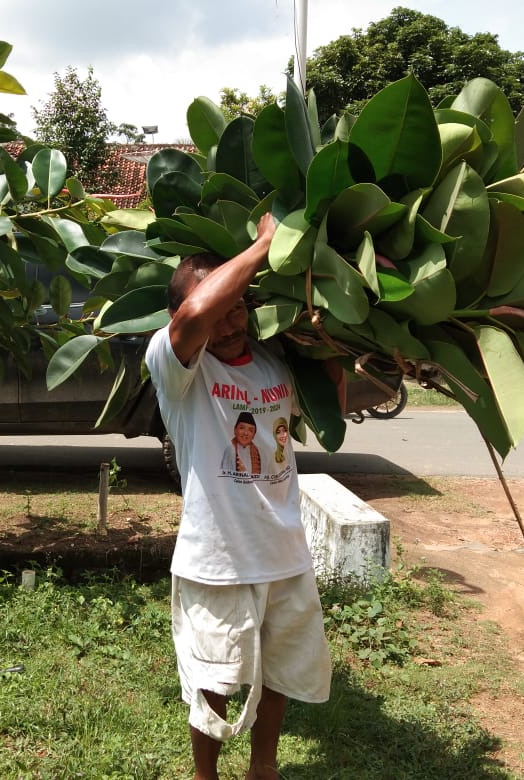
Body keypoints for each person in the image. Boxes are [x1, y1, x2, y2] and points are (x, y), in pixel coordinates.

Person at [145, 213, 342, 780]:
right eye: (220, 307)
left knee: (278, 672)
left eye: (240, 307)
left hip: (285, 554)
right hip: (218, 560)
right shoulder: (177, 366)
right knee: (215, 680)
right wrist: (263, 245)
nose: (230, 322)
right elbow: (197, 314)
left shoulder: (272, 363)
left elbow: (330, 405)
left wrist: (332, 326)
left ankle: (264, 769)